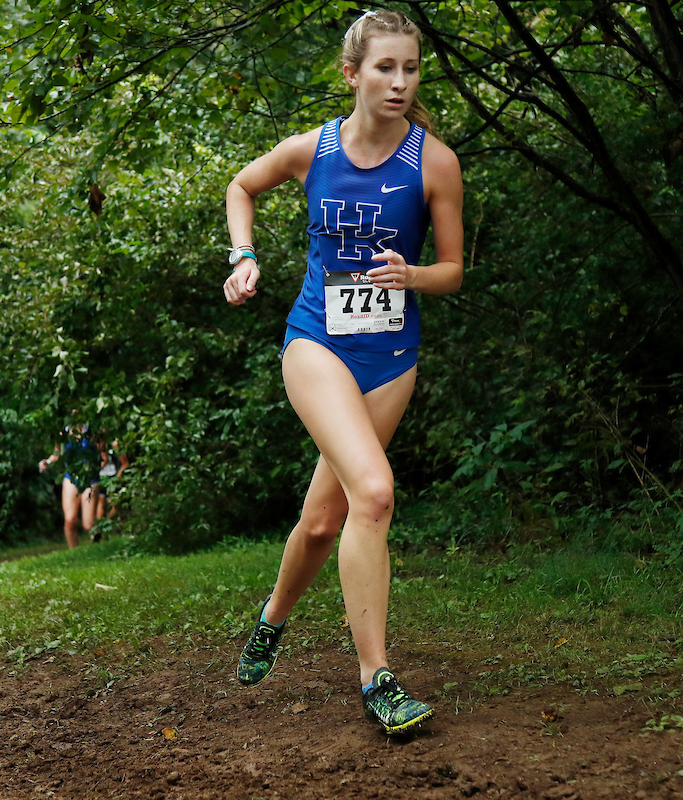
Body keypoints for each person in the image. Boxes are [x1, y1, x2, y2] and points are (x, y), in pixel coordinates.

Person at [222, 10, 464, 734]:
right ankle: (377, 678)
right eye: (385, 67)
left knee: (326, 520)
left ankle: (270, 620)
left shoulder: (435, 162)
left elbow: (453, 271)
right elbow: (241, 186)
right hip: (317, 343)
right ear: (352, 73)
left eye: (411, 68)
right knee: (376, 491)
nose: (399, 81)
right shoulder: (312, 149)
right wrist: (244, 256)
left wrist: (415, 275)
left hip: (391, 358)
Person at [38, 417, 102, 547]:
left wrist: (95, 469)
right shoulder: (64, 434)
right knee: (69, 520)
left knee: (89, 525)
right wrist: (47, 462)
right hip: (71, 478)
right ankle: (73, 551)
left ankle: (97, 541)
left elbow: (103, 455)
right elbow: (57, 453)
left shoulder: (92, 433)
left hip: (90, 478)